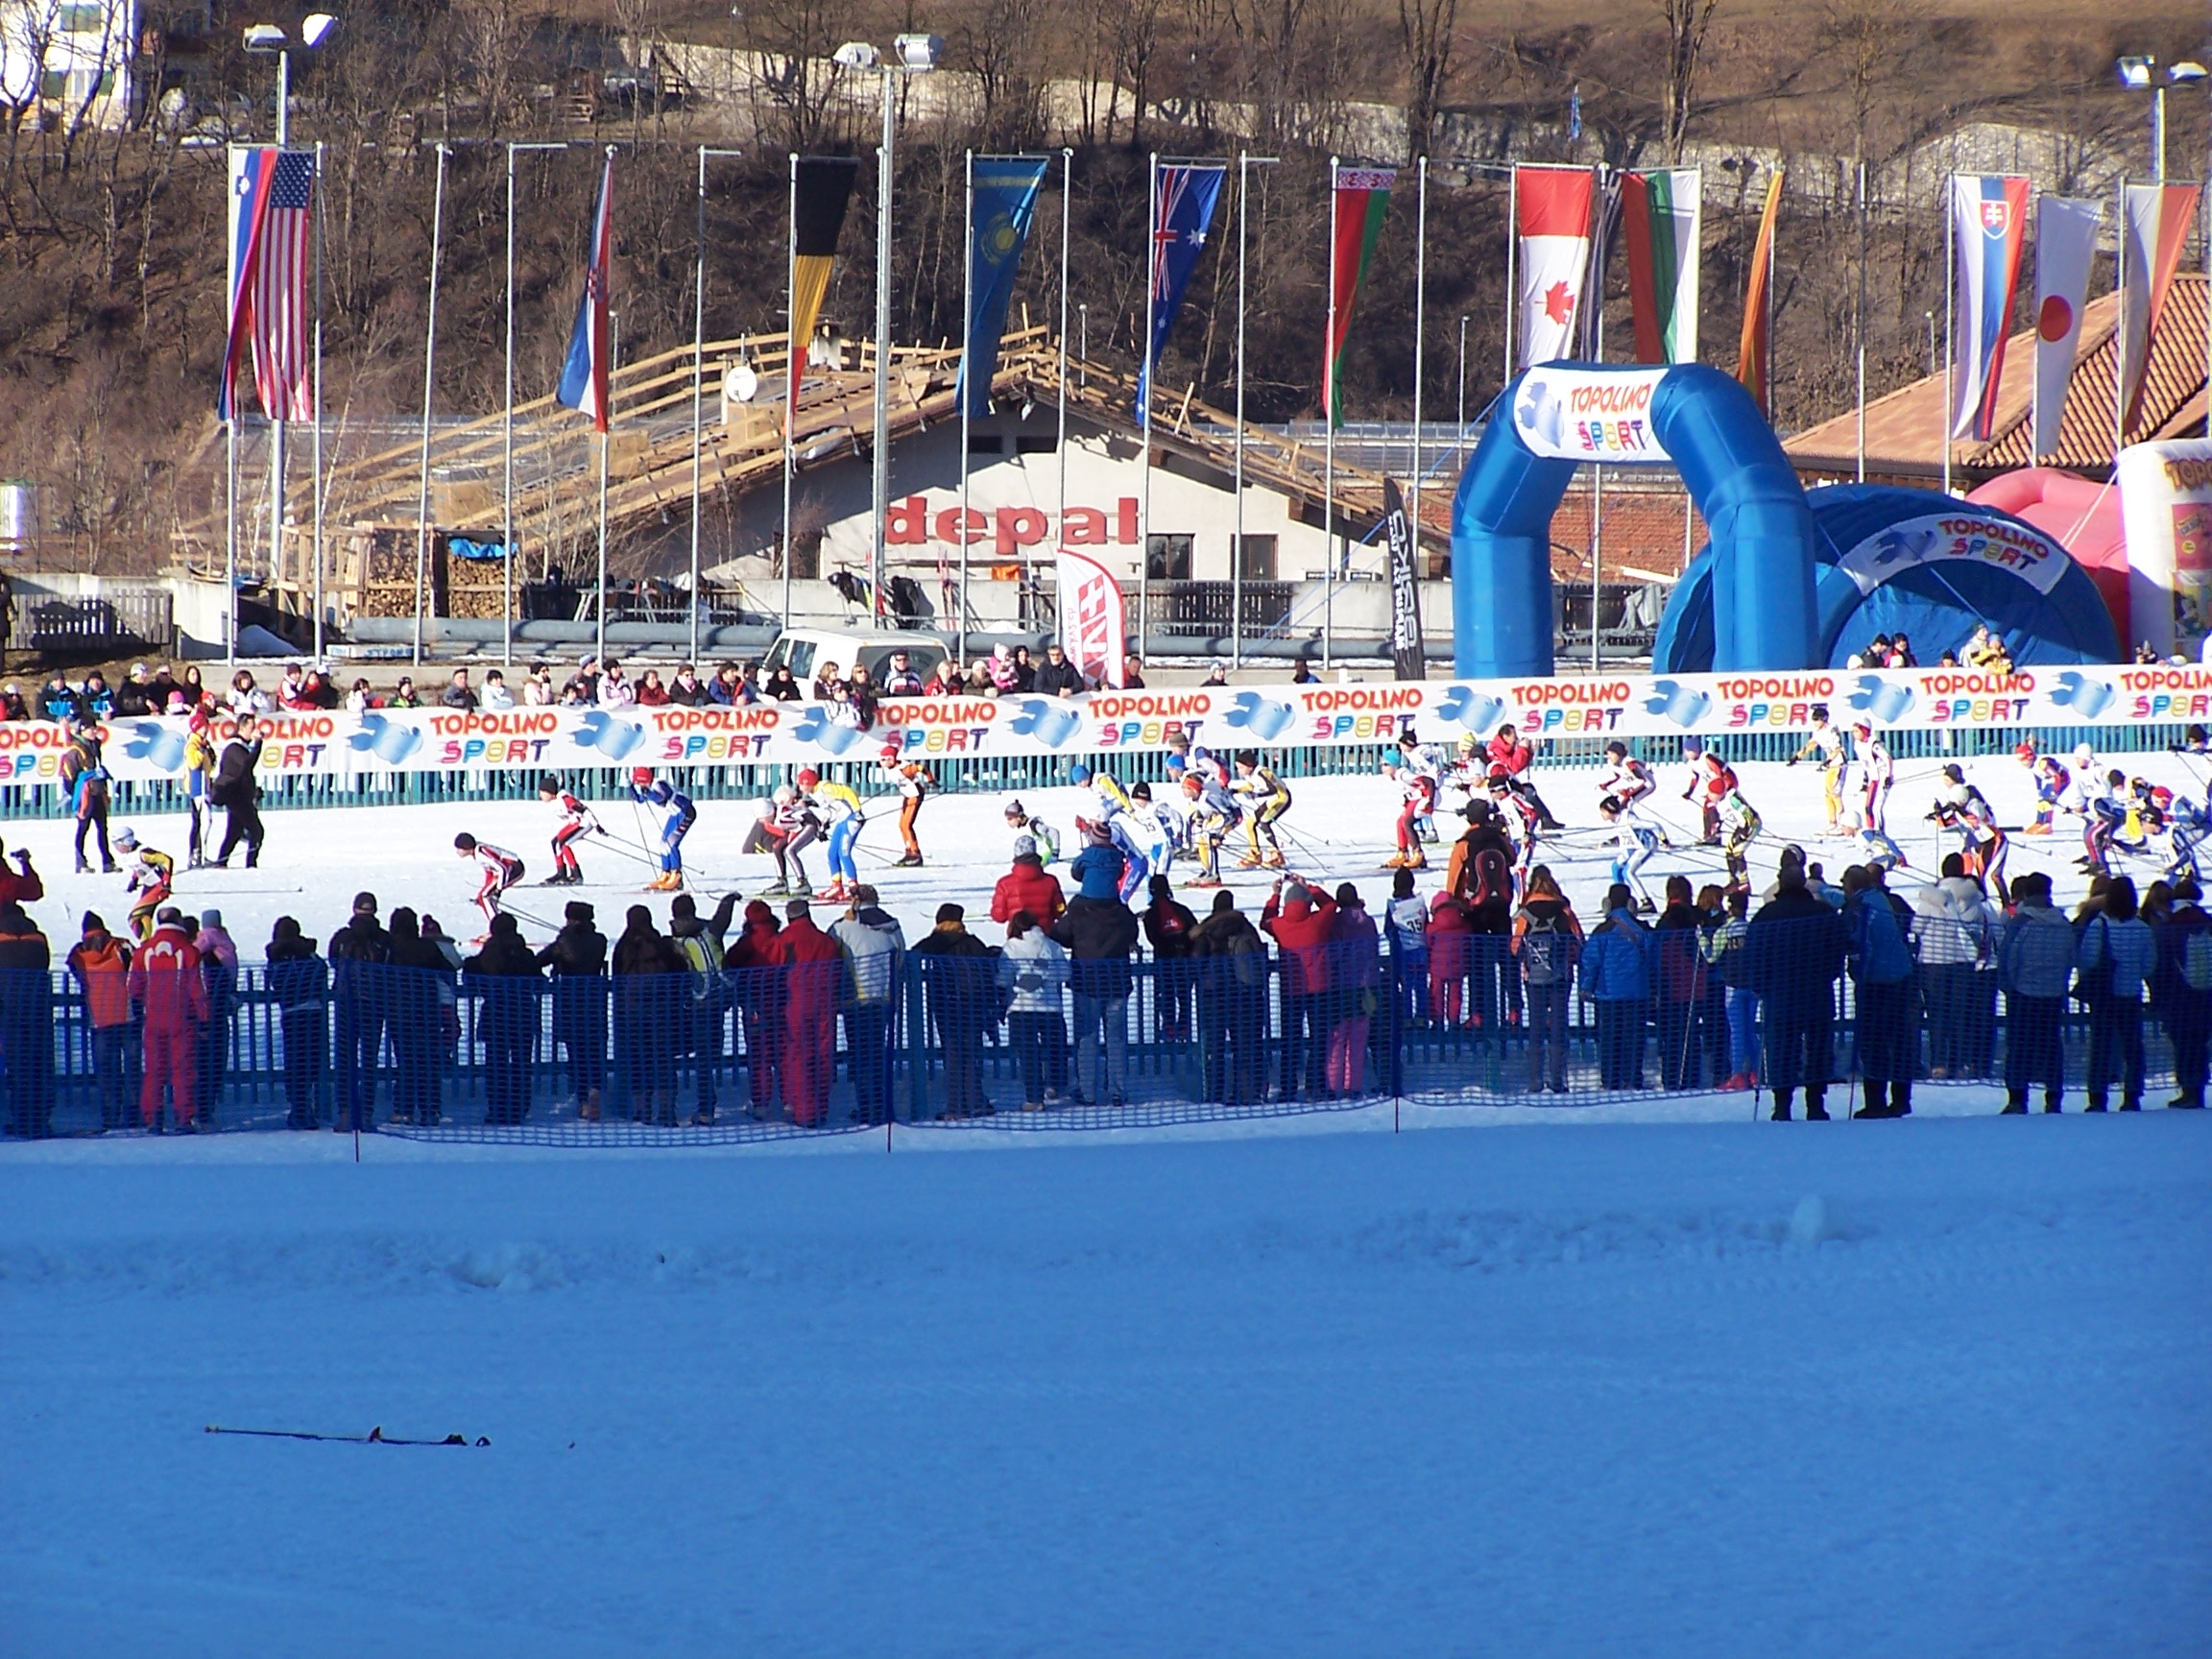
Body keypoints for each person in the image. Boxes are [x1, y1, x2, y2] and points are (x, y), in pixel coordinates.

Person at [1744, 861, 1847, 1120]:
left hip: (1779, 996)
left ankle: (1782, 1104)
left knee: (1781, 1050)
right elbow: (1838, 949)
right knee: (1818, 1049)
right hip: (1817, 993)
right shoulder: (1822, 913)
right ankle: (1815, 1103)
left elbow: (1753, 954)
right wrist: (1829, 975)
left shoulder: (1766, 915)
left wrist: (1760, 986)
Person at [1053, 873, 1140, 1107]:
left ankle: (1087, 1090)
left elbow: (1060, 935)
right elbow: (1132, 935)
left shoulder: (1078, 913)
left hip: (1086, 982)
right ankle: (1117, 1090)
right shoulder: (1123, 914)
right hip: (1117, 982)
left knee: (1086, 1037)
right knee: (1117, 1038)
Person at [1843, 864, 1919, 1118]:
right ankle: (1901, 1099)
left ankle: (1875, 1101)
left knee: (1873, 1042)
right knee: (1899, 1040)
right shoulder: (1881, 899)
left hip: (1876, 982)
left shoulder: (1860, 907)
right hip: (1901, 975)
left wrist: (1859, 974)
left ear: (1851, 885)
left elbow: (1862, 944)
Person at [2076, 874, 2157, 1112]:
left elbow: (2087, 959)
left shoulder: (2098, 926)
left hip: (2103, 995)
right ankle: (2132, 1094)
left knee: (2100, 1046)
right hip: (2130, 994)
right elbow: (2149, 965)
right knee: (2132, 1046)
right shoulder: (2142, 929)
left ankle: (2097, 1096)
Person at [1911, 853, 1994, 1080]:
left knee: (1937, 1013)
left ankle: (1938, 1063)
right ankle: (1958, 1063)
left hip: (1934, 962)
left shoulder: (1930, 899)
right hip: (1963, 962)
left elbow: (1917, 927)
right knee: (1960, 1014)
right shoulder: (1973, 898)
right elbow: (1977, 931)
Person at [129, 905, 205, 1133]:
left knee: (154, 1070)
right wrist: (205, 1019)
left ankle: (154, 1119)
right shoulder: (190, 951)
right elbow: (198, 989)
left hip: (153, 1019)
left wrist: (141, 1009)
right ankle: (184, 1118)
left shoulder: (143, 951)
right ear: (179, 921)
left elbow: (134, 987)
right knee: (183, 1069)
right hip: (183, 1018)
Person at [832, 884, 905, 1125]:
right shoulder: (893, 925)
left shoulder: (843, 928)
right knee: (877, 1054)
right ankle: (881, 1105)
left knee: (861, 1056)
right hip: (884, 998)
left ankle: (867, 1108)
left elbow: (830, 957)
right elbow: (900, 958)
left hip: (855, 1000)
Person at [913, 902, 995, 1118]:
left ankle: (956, 1106)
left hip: (946, 1005)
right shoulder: (973, 943)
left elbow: (913, 954)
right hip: (974, 1005)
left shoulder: (935, 943)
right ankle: (976, 1101)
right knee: (971, 1053)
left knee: (953, 1055)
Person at [1262, 878, 1337, 1101]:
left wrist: (1275, 895)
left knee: (1290, 1040)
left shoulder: (1279, 925)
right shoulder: (1317, 922)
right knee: (1319, 1039)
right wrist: (1309, 887)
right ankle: (1316, 1086)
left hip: (1290, 989)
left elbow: (1265, 921)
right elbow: (1331, 905)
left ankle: (1288, 1087)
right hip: (1319, 988)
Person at [463, 913, 541, 1126]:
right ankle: (519, 1109)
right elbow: (539, 982)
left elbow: (471, 979)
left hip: (495, 1015)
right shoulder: (525, 955)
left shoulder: (487, 955)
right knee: (522, 1065)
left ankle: (497, 1108)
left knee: (495, 1065)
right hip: (523, 1015)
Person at [1510, 867, 1582, 1092]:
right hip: (1561, 976)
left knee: (1536, 1026)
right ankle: (1558, 1079)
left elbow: (1515, 946)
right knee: (1559, 1026)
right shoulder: (1564, 910)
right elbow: (1579, 940)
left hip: (1533, 977)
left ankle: (1535, 1080)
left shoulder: (1526, 913)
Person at [668, 892, 737, 1124]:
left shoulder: (676, 941)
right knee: (709, 1053)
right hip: (720, 999)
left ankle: (703, 1108)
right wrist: (728, 901)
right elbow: (722, 918)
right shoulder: (709, 930)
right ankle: (707, 1106)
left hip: (697, 1005)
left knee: (699, 1056)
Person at [536, 899, 608, 1121]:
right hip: (594, 1003)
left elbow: (541, 959)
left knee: (576, 1055)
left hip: (570, 1004)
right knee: (594, 1053)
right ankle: (595, 1090)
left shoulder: (564, 941)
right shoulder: (600, 940)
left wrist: (564, 936)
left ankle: (584, 1100)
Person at [611, 903, 682, 1125]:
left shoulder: (624, 947)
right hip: (662, 1012)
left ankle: (642, 1110)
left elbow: (617, 979)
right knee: (664, 1061)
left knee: (638, 1061)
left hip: (632, 1015)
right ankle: (667, 1110)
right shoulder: (661, 945)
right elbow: (677, 973)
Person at [777, 898, 845, 1126]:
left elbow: (776, 969)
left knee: (799, 1055)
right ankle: (820, 1107)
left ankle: (804, 1111)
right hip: (825, 1002)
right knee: (823, 1054)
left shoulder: (785, 939)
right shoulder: (826, 941)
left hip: (795, 1003)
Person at [327, 893, 392, 1133]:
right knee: (369, 1059)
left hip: (347, 1001)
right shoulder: (384, 939)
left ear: (354, 909)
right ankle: (366, 1113)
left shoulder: (342, 937)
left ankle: (345, 1111)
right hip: (375, 1002)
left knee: (345, 1058)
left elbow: (333, 960)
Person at [1577, 883, 1652, 1090]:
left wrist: (1586, 987)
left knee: (1610, 1039)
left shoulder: (1602, 931)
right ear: (1631, 904)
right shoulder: (1642, 929)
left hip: (1608, 994)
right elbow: (1653, 959)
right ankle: (1633, 1078)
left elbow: (1590, 961)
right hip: (1637, 993)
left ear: (1607, 904)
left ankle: (1610, 1080)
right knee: (1634, 1038)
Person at [66, 911, 134, 1132]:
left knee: (106, 1070)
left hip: (99, 1018)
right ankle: (134, 1112)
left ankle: (110, 1115)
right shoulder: (121, 946)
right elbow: (137, 970)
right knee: (132, 1067)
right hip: (127, 1015)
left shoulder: (78, 953)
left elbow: (78, 975)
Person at [384, 907, 450, 1127]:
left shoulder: (391, 949)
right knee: (427, 1063)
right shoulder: (428, 947)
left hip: (399, 1013)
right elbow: (448, 970)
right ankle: (429, 1110)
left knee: (405, 1063)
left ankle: (403, 1110)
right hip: (427, 1012)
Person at [998, 910, 1070, 1111]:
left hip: (1021, 1007)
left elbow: (1003, 978)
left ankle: (1034, 1098)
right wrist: (1044, 974)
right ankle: (1055, 1085)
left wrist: (1018, 983)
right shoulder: (1051, 945)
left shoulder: (1012, 947)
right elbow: (1065, 974)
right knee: (1055, 1048)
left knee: (1028, 1054)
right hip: (1051, 1006)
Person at [2151, 876, 2212, 1109]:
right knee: (2200, 1043)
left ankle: (2188, 1089)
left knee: (2183, 1044)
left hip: (2178, 997)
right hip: (2206, 996)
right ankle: (2199, 1089)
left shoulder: (2169, 928)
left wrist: (2159, 997)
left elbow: (2161, 966)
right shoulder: (2208, 922)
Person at [264, 916, 328, 1130]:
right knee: (312, 1060)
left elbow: (273, 980)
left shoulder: (276, 956)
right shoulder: (308, 952)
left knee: (294, 1061)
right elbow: (321, 970)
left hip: (292, 1013)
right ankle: (306, 1105)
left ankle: (298, 1107)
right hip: (314, 1011)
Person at [1651, 876, 1710, 1090]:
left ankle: (1672, 1078)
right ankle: (1692, 1077)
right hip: (1694, 987)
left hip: (1670, 987)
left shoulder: (1665, 922)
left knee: (1671, 1037)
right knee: (1691, 1034)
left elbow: (1658, 956)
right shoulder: (1695, 918)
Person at [1325, 883, 1381, 1095]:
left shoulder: (1336, 923)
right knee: (1358, 1040)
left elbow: (1333, 955)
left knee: (1337, 1039)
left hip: (1340, 987)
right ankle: (1353, 1086)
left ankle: (1333, 1085)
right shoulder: (1369, 922)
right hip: (1365, 985)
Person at [1702, 886, 1758, 1091]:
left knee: (1736, 1031)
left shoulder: (1724, 931)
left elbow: (1711, 956)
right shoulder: (1752, 929)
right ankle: (1756, 1072)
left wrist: (1701, 939)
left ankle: (1737, 1074)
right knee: (1750, 1030)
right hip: (1752, 984)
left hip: (1733, 985)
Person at [193, 907, 239, 1129]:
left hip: (207, 1013)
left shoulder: (207, 940)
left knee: (203, 1063)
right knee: (215, 1062)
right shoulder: (225, 938)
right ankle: (206, 1108)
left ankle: (199, 1110)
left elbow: (193, 952)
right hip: (224, 999)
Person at [1143, 874, 1199, 1044]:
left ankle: (1169, 1027)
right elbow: (1195, 930)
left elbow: (1152, 938)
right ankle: (1183, 1027)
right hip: (1185, 959)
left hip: (1164, 960)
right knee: (1184, 995)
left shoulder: (1151, 914)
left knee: (1165, 994)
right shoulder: (1181, 910)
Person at [796, 767, 864, 903]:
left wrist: (857, 811)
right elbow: (830, 809)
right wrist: (823, 826)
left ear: (808, 783)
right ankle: (836, 885)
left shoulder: (826, 788)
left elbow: (848, 792)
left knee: (844, 853)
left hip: (852, 819)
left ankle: (853, 887)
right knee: (832, 854)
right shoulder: (815, 793)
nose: (800, 788)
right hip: (841, 821)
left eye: (801, 784)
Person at [58, 717, 115, 874]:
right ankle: (81, 862)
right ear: (82, 730)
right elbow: (69, 775)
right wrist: (75, 792)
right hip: (86, 793)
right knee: (83, 828)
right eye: (90, 729)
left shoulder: (94, 745)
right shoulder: (76, 750)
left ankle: (107, 861)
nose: (94, 731)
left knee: (102, 827)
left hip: (98, 791)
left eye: (94, 728)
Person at [210, 714, 265, 868]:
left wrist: (253, 790)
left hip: (239, 795)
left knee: (234, 832)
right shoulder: (234, 747)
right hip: (235, 795)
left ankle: (221, 861)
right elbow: (246, 765)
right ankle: (250, 863)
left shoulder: (241, 747)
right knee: (256, 830)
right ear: (242, 728)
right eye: (251, 728)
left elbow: (246, 771)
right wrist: (258, 744)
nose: (254, 731)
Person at [628, 769, 696, 891]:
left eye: (639, 783)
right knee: (662, 844)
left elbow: (661, 798)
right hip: (675, 814)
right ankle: (666, 873)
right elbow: (639, 799)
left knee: (671, 843)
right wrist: (629, 787)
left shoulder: (658, 784)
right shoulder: (648, 788)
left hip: (686, 813)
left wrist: (649, 793)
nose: (639, 786)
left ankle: (676, 875)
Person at [1789, 705, 1846, 835]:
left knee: (1835, 794)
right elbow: (1810, 745)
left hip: (1839, 763)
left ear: (1824, 719)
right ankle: (1832, 823)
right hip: (1830, 765)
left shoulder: (1832, 730)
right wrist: (1797, 757)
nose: (1815, 722)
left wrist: (1828, 761)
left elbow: (1838, 748)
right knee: (1828, 794)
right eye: (1814, 720)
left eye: (1817, 720)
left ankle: (1842, 824)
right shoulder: (1818, 732)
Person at [1230, 752, 1292, 868]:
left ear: (1249, 765)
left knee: (1264, 822)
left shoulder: (1261, 773)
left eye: (1241, 767)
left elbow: (1273, 789)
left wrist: (1257, 795)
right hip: (1272, 800)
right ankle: (1255, 854)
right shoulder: (1250, 774)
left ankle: (1276, 855)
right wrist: (1235, 791)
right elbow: (1250, 786)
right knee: (1250, 823)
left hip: (1281, 799)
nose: (1238, 771)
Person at [538, 775, 602, 885]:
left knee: (564, 844)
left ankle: (576, 874)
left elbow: (584, 811)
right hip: (574, 823)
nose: (541, 795)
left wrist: (597, 826)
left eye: (543, 792)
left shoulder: (565, 800)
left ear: (550, 792)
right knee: (555, 842)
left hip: (583, 823)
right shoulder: (554, 802)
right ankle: (561, 872)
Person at [991, 834, 1067, 928]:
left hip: (1018, 934)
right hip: (1046, 934)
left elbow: (999, 916)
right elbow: (1060, 910)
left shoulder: (1004, 884)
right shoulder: (1051, 881)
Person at [454, 832, 525, 928]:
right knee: (483, 897)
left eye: (459, 848)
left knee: (486, 896)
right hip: (504, 870)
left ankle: (497, 928)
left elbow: (502, 869)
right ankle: (496, 925)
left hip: (515, 869)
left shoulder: (482, 854)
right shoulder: (477, 853)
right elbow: (489, 872)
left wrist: (498, 890)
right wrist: (482, 892)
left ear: (466, 847)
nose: (457, 852)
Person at [877, 744, 931, 867]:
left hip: (915, 794)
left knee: (907, 825)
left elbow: (921, 768)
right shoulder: (888, 768)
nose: (881, 762)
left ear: (891, 759)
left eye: (884, 759)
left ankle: (916, 854)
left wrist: (931, 780)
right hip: (907, 795)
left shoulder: (905, 769)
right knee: (901, 825)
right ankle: (909, 851)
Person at [1002, 798, 1060, 866]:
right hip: (1033, 857)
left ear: (1019, 818)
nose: (1008, 822)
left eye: (1010, 819)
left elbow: (1054, 832)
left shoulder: (1034, 825)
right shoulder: (1023, 827)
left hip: (1044, 857)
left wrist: (1055, 853)